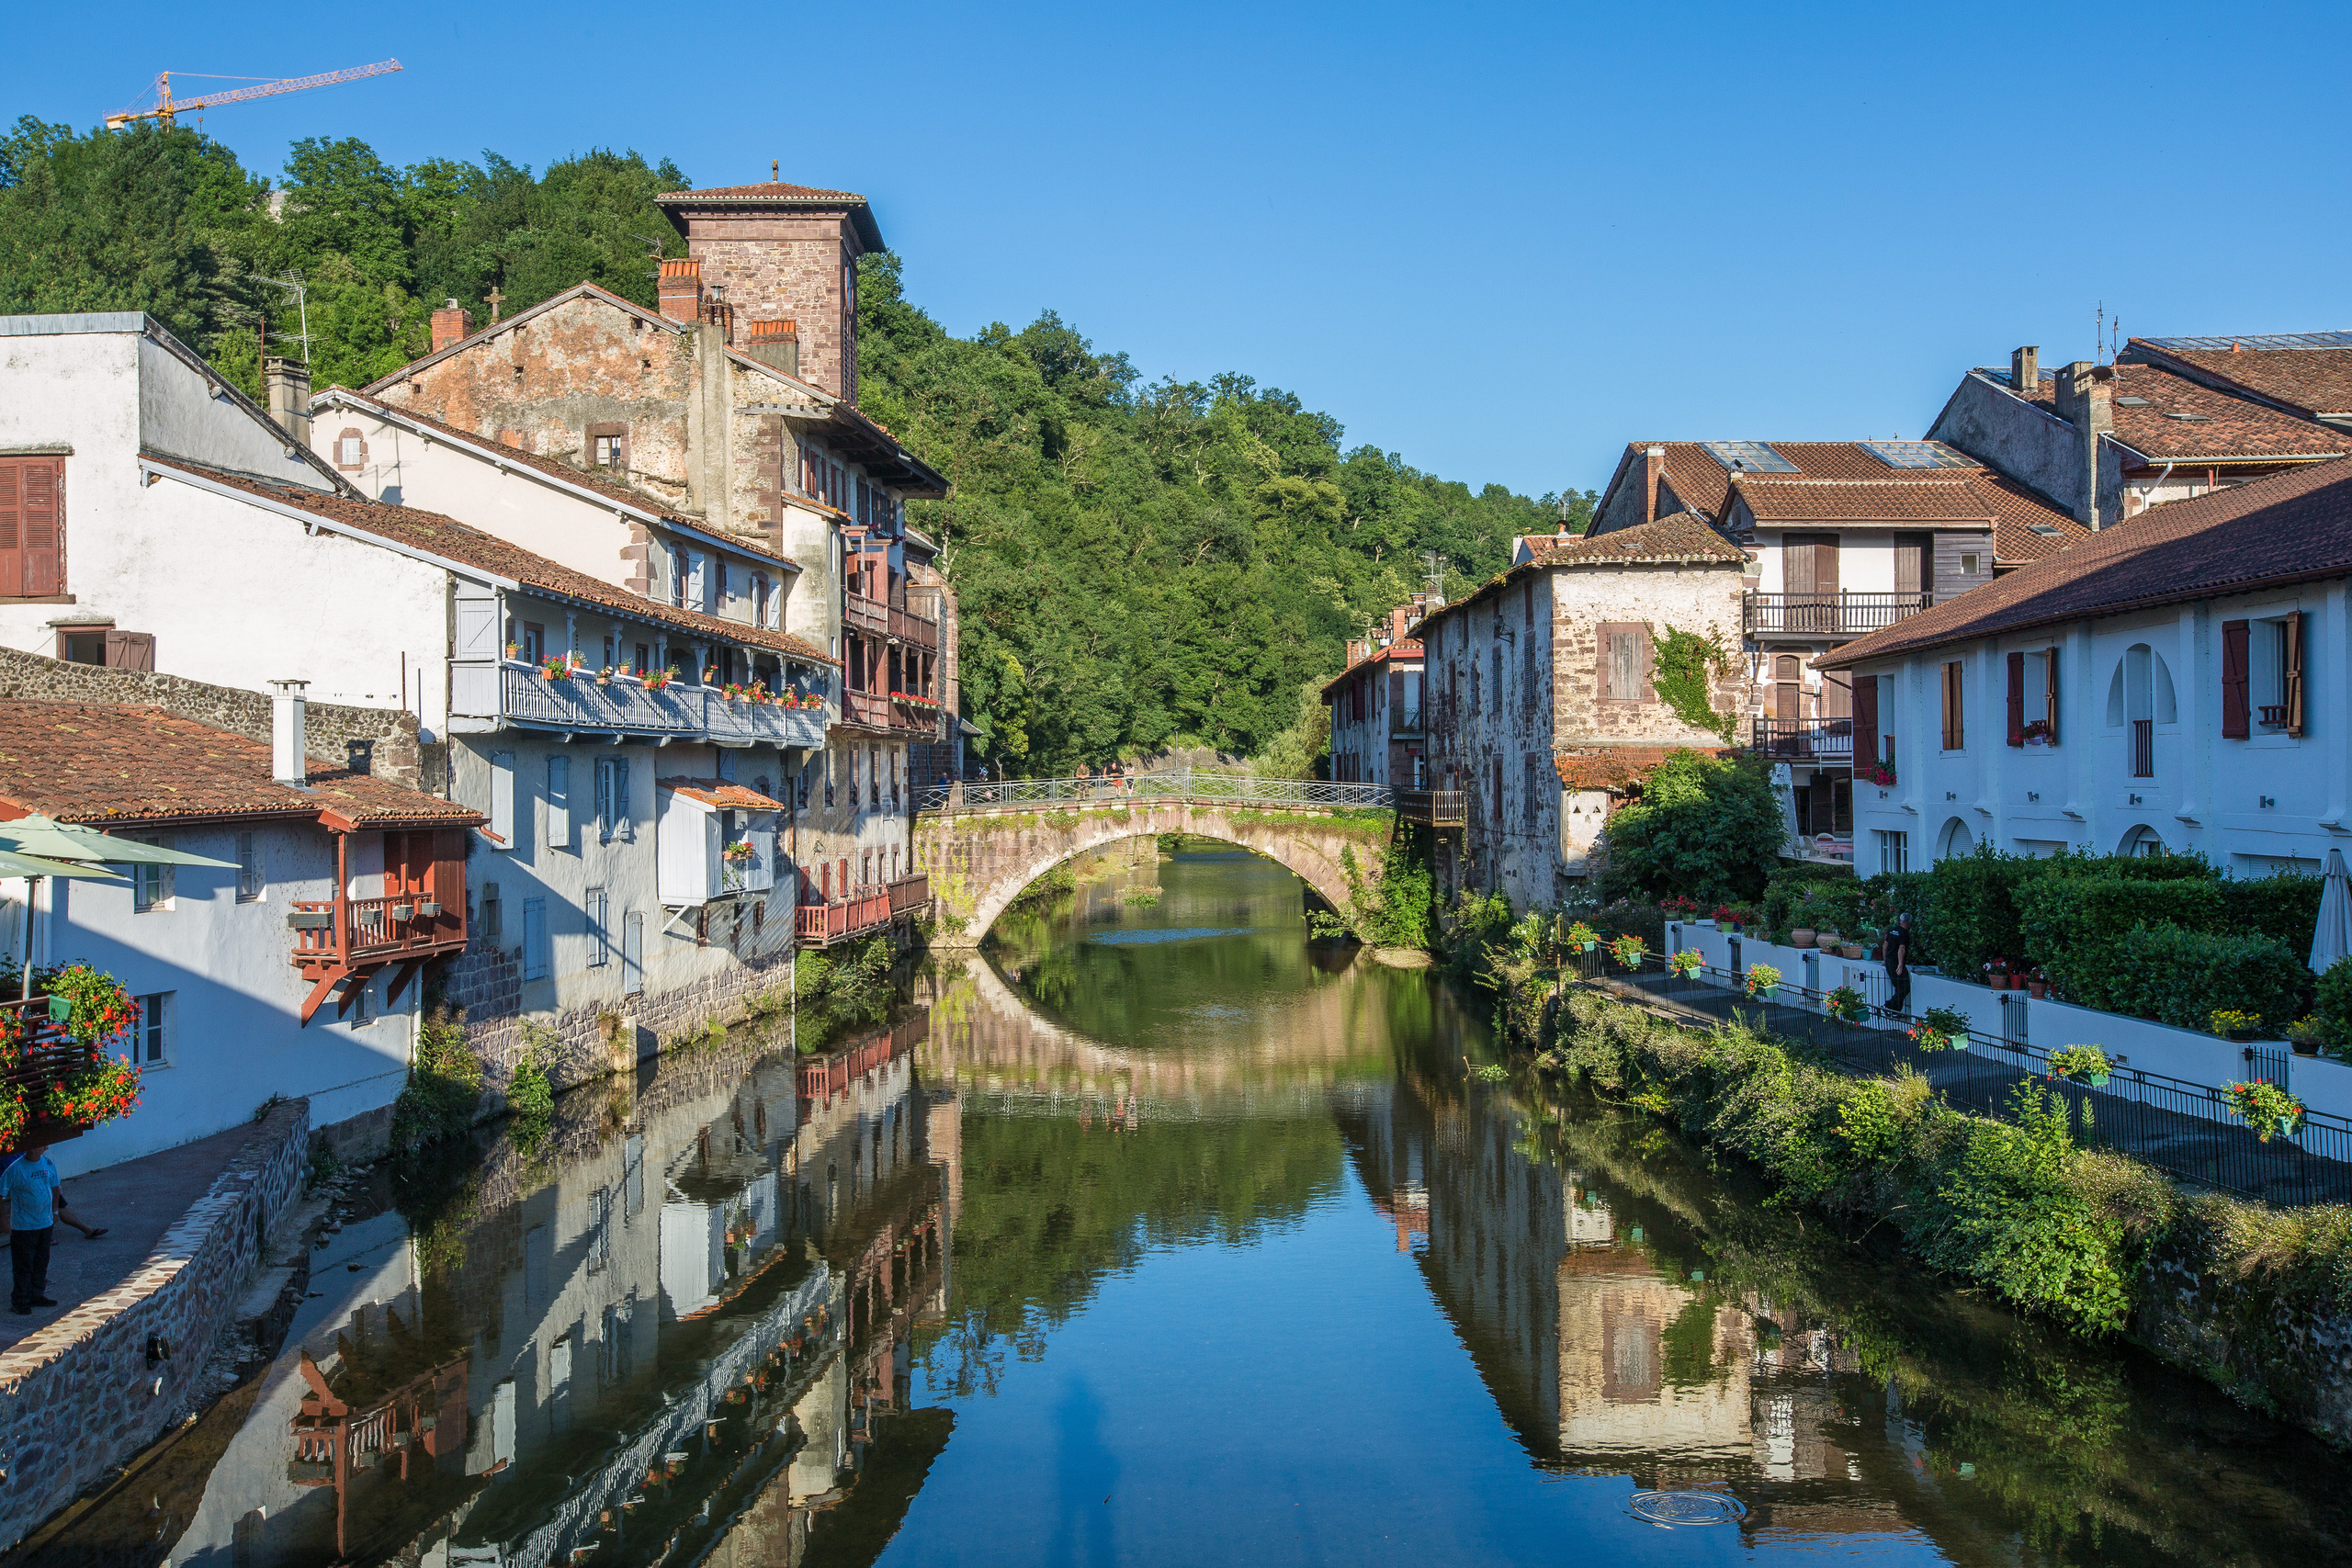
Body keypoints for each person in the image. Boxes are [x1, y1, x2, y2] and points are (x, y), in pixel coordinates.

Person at [3, 1142, 63, 1314]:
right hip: (23, 1226)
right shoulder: (16, 1168)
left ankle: (37, 1294)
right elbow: (1, 1191)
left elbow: (55, 1187)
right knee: (23, 1264)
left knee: (41, 1261)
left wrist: (55, 1211)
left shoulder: (48, 1164)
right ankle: (20, 1300)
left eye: (37, 1144)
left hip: (44, 1223)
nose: (32, 1148)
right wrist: (4, 1222)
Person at [1883, 912, 1915, 1016]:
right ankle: (1888, 1006)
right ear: (1909, 922)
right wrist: (1900, 965)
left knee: (1899, 986)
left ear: (1901, 920)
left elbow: (1885, 945)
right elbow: (1902, 948)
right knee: (1905, 987)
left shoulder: (1892, 931)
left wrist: (1885, 960)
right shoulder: (1904, 933)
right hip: (1896, 963)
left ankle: (1895, 1011)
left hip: (1889, 961)